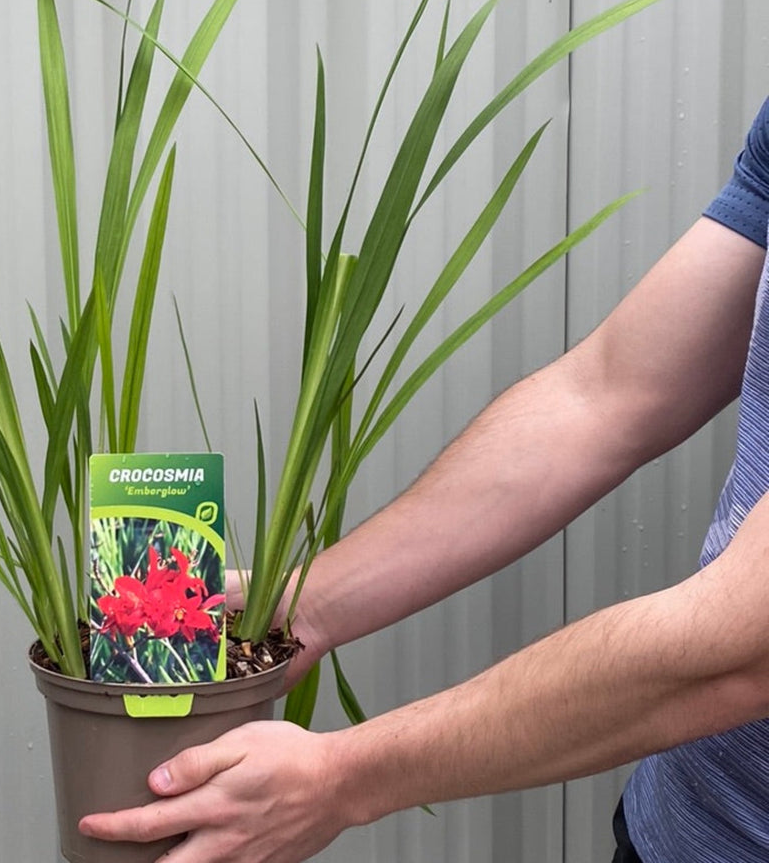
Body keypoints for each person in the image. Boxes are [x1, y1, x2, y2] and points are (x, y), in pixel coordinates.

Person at [79, 95, 769, 863]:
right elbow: (607, 396)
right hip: (676, 829)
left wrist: (343, 778)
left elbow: (741, 644)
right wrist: (303, 605)